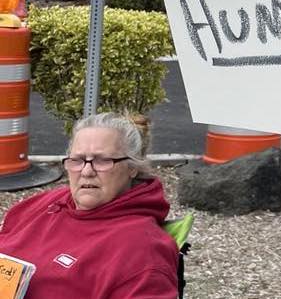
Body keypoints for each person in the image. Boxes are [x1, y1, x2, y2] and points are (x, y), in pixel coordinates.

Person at [0, 111, 179, 298]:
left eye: (102, 161)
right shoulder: (44, 203)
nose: (86, 171)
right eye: (77, 160)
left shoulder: (143, 251)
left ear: (132, 168)